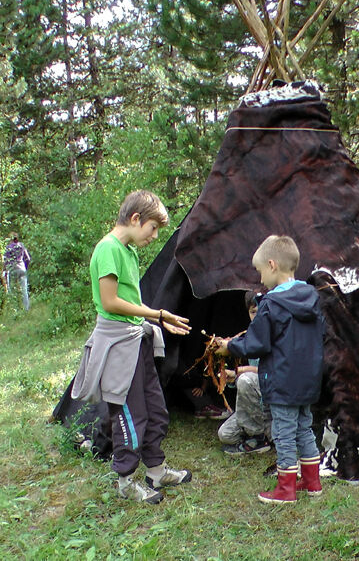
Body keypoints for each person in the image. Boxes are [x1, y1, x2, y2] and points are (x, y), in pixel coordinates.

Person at [70, 190, 193, 504]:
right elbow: (110, 302)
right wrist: (159, 313)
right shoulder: (108, 249)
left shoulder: (129, 251)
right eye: (152, 228)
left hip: (137, 340)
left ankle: (157, 470)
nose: (154, 236)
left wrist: (158, 322)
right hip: (116, 345)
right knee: (129, 416)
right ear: (136, 218)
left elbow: (133, 302)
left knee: (155, 408)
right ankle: (126, 483)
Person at [223, 235, 325, 503]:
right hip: (308, 381)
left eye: (259, 271)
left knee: (283, 432)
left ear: (272, 265)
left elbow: (256, 343)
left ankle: (286, 488)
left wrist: (230, 347)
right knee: (304, 427)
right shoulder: (311, 297)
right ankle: (312, 483)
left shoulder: (271, 304)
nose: (259, 279)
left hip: (282, 382)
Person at [215, 291, 272, 455]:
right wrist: (232, 376)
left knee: (246, 379)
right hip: (253, 407)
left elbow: (273, 371)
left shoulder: (278, 334)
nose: (257, 316)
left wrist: (241, 372)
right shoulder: (249, 336)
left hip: (273, 404)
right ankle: (258, 433)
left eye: (261, 311)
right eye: (253, 312)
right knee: (225, 435)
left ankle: (259, 439)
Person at [2, 233, 31, 311]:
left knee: (12, 290)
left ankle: (15, 309)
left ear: (10, 239)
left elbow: (5, 261)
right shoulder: (21, 245)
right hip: (22, 269)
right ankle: (26, 309)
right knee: (24, 290)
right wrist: (25, 268)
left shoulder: (8, 248)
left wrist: (4, 271)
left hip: (12, 270)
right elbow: (28, 258)